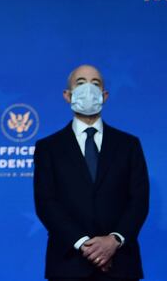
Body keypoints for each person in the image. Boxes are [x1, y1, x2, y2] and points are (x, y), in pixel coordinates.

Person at [34, 64, 149, 281]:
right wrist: (85, 245)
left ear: (104, 95)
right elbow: (46, 203)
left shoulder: (129, 145)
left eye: (95, 83)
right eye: (80, 83)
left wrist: (114, 240)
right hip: (68, 265)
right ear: (67, 95)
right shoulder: (48, 148)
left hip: (120, 264)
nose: (88, 88)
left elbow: (139, 200)